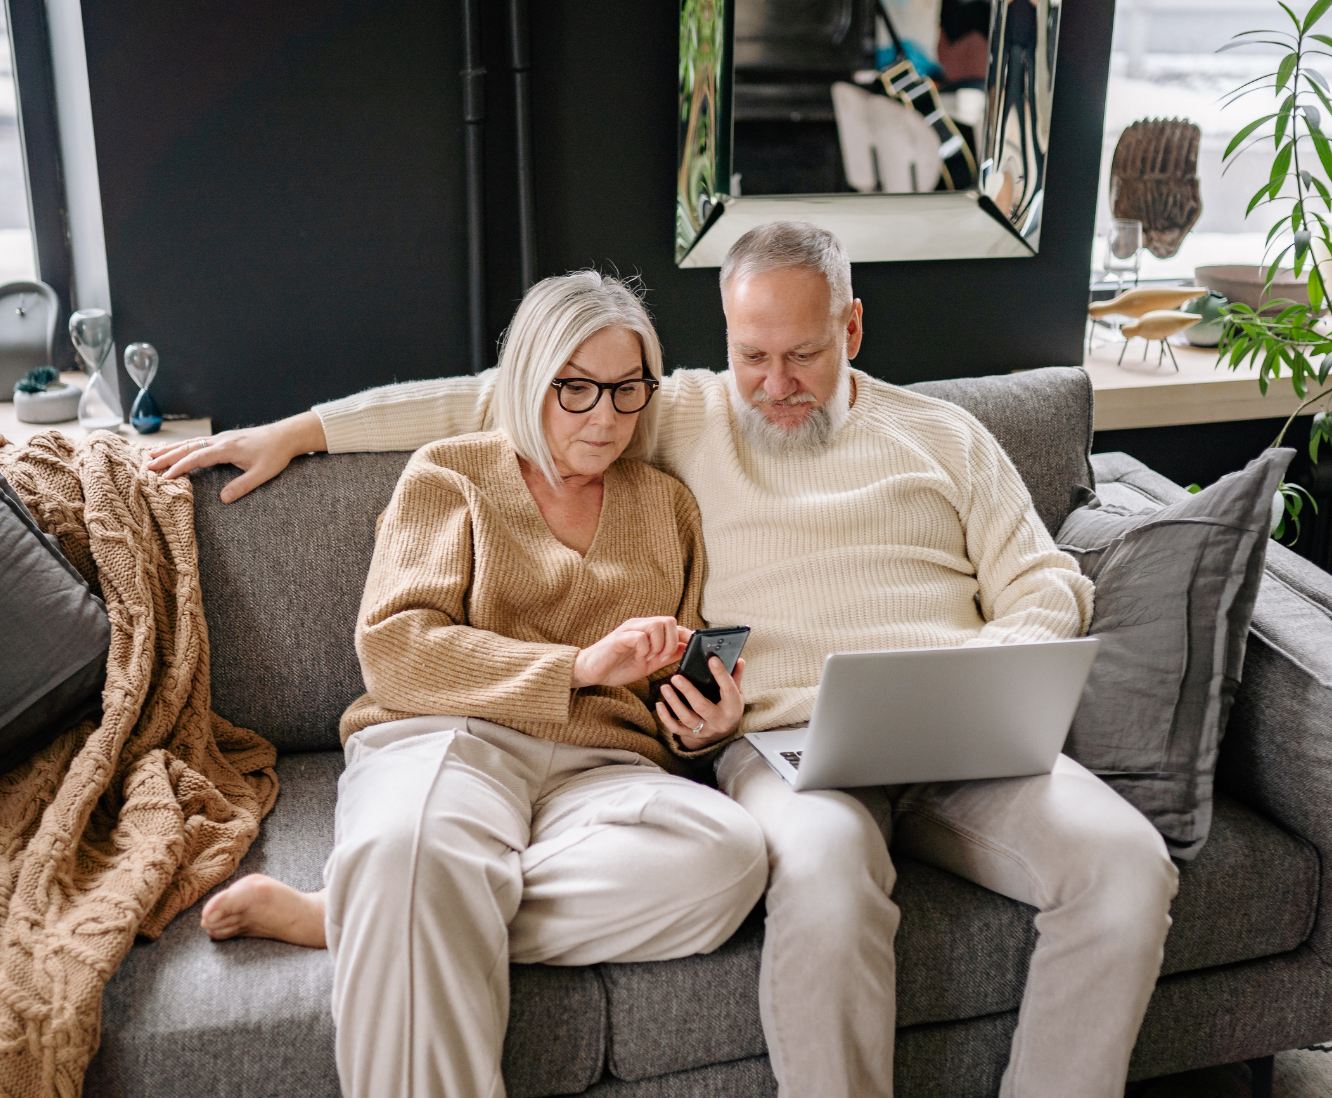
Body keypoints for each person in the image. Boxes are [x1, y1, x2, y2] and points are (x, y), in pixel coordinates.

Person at [164, 223, 1179, 1098]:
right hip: (786, 742)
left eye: (805, 355)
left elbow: (1048, 582)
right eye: (752, 356)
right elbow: (488, 400)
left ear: (853, 330)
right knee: (820, 877)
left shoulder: (946, 438)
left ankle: (398, 912)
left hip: (966, 725)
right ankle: (405, 902)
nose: (776, 386)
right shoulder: (674, 414)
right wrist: (302, 430)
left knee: (1127, 866)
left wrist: (992, 660)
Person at [197, 271, 768, 1098]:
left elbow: (664, 701)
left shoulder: (668, 506)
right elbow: (395, 650)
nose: (606, 416)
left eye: (626, 389)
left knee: (729, 857)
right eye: (575, 388)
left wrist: (702, 726)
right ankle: (401, 885)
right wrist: (574, 666)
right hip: (448, 737)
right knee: (411, 847)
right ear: (530, 380)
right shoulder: (449, 476)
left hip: (605, 771)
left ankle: (363, 911)